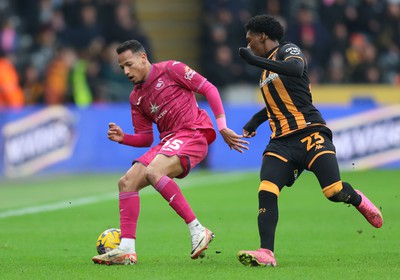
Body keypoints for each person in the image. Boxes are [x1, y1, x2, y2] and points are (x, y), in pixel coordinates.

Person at [236, 15, 383, 267]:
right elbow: (277, 103)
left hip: (310, 132)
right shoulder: (265, 72)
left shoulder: (287, 50)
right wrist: (256, 120)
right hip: (281, 141)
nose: (248, 45)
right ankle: (266, 252)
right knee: (266, 189)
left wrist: (254, 60)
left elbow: (296, 69)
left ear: (261, 36)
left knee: (333, 191)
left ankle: (357, 199)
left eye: (250, 40)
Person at [92, 40, 249, 265]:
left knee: (154, 171)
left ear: (143, 58)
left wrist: (222, 125)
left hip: (192, 133)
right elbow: (146, 137)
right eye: (121, 68)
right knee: (126, 182)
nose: (126, 71)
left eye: (129, 64)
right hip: (168, 141)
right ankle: (126, 249)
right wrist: (124, 138)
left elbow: (209, 89)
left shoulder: (171, 69)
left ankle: (197, 230)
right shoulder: (136, 97)